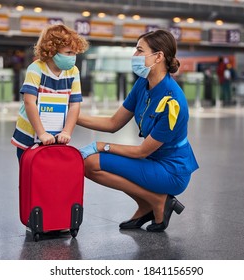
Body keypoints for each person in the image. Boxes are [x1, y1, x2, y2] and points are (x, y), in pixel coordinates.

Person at [78, 30, 199, 232]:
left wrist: (101, 146)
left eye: (139, 50)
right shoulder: (143, 84)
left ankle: (158, 201)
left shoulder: (172, 102)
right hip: (153, 161)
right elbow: (113, 123)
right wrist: (72, 118)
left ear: (158, 56)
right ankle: (146, 205)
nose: (134, 56)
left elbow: (142, 151)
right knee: (89, 163)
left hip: (171, 170)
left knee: (91, 163)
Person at [11, 24, 89, 160]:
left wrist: (66, 132)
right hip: (29, 133)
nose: (73, 57)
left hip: (55, 134)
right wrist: (41, 133)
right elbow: (29, 102)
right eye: (69, 53)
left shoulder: (73, 71)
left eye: (75, 53)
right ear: (52, 50)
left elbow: (75, 105)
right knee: (29, 175)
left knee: (48, 175)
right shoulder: (36, 68)